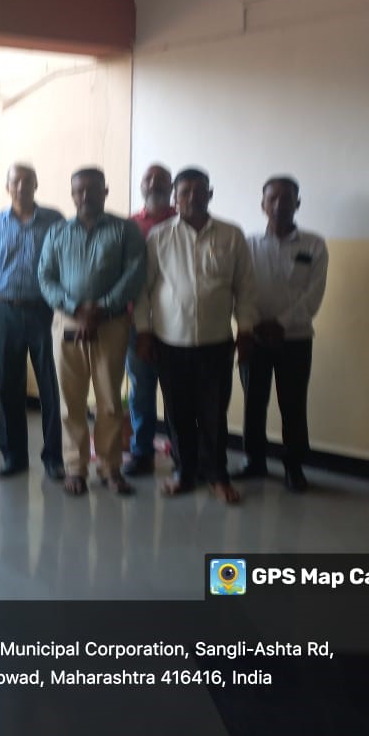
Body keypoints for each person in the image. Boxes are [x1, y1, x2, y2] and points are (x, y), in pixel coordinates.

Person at [134, 168, 257, 504]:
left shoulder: (231, 235)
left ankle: (217, 475)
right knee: (178, 414)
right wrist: (144, 332)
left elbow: (245, 288)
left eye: (199, 191)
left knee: (214, 414)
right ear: (175, 198)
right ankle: (184, 472)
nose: (192, 198)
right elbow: (144, 291)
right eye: (184, 192)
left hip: (216, 343)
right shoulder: (159, 236)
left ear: (210, 194)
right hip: (170, 343)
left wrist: (246, 329)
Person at [39, 167, 147, 495]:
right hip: (67, 324)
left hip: (110, 324)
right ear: (72, 195)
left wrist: (100, 307)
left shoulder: (125, 230)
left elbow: (134, 273)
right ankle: (75, 468)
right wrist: (76, 308)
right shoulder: (57, 232)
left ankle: (110, 468)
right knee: (70, 403)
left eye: (92, 189)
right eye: (79, 190)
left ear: (105, 191)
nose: (85, 196)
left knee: (110, 401)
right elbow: (46, 277)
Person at [236, 176, 328, 493]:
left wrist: (281, 324)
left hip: (296, 339)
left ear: (297, 203)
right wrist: (251, 325)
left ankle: (294, 467)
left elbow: (314, 295)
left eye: (286, 198)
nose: (279, 205)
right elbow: (240, 290)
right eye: (272, 199)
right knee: (254, 403)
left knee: (293, 405)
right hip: (255, 338)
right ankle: (254, 461)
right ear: (262, 205)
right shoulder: (247, 244)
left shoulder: (314, 245)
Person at [0, 163, 65, 480]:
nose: (21, 186)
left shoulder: (54, 220)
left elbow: (61, 265)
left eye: (27, 181)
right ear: (8, 187)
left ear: (36, 185)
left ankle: (54, 458)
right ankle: (14, 456)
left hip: (44, 311)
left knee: (50, 388)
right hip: (5, 310)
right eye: (16, 181)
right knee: (8, 387)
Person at [124, 163, 176, 477]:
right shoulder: (130, 226)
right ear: (141, 186)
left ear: (171, 187)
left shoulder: (183, 221)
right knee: (141, 391)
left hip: (177, 324)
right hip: (136, 324)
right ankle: (142, 453)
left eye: (161, 179)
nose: (154, 183)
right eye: (148, 179)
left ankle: (182, 454)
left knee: (178, 392)